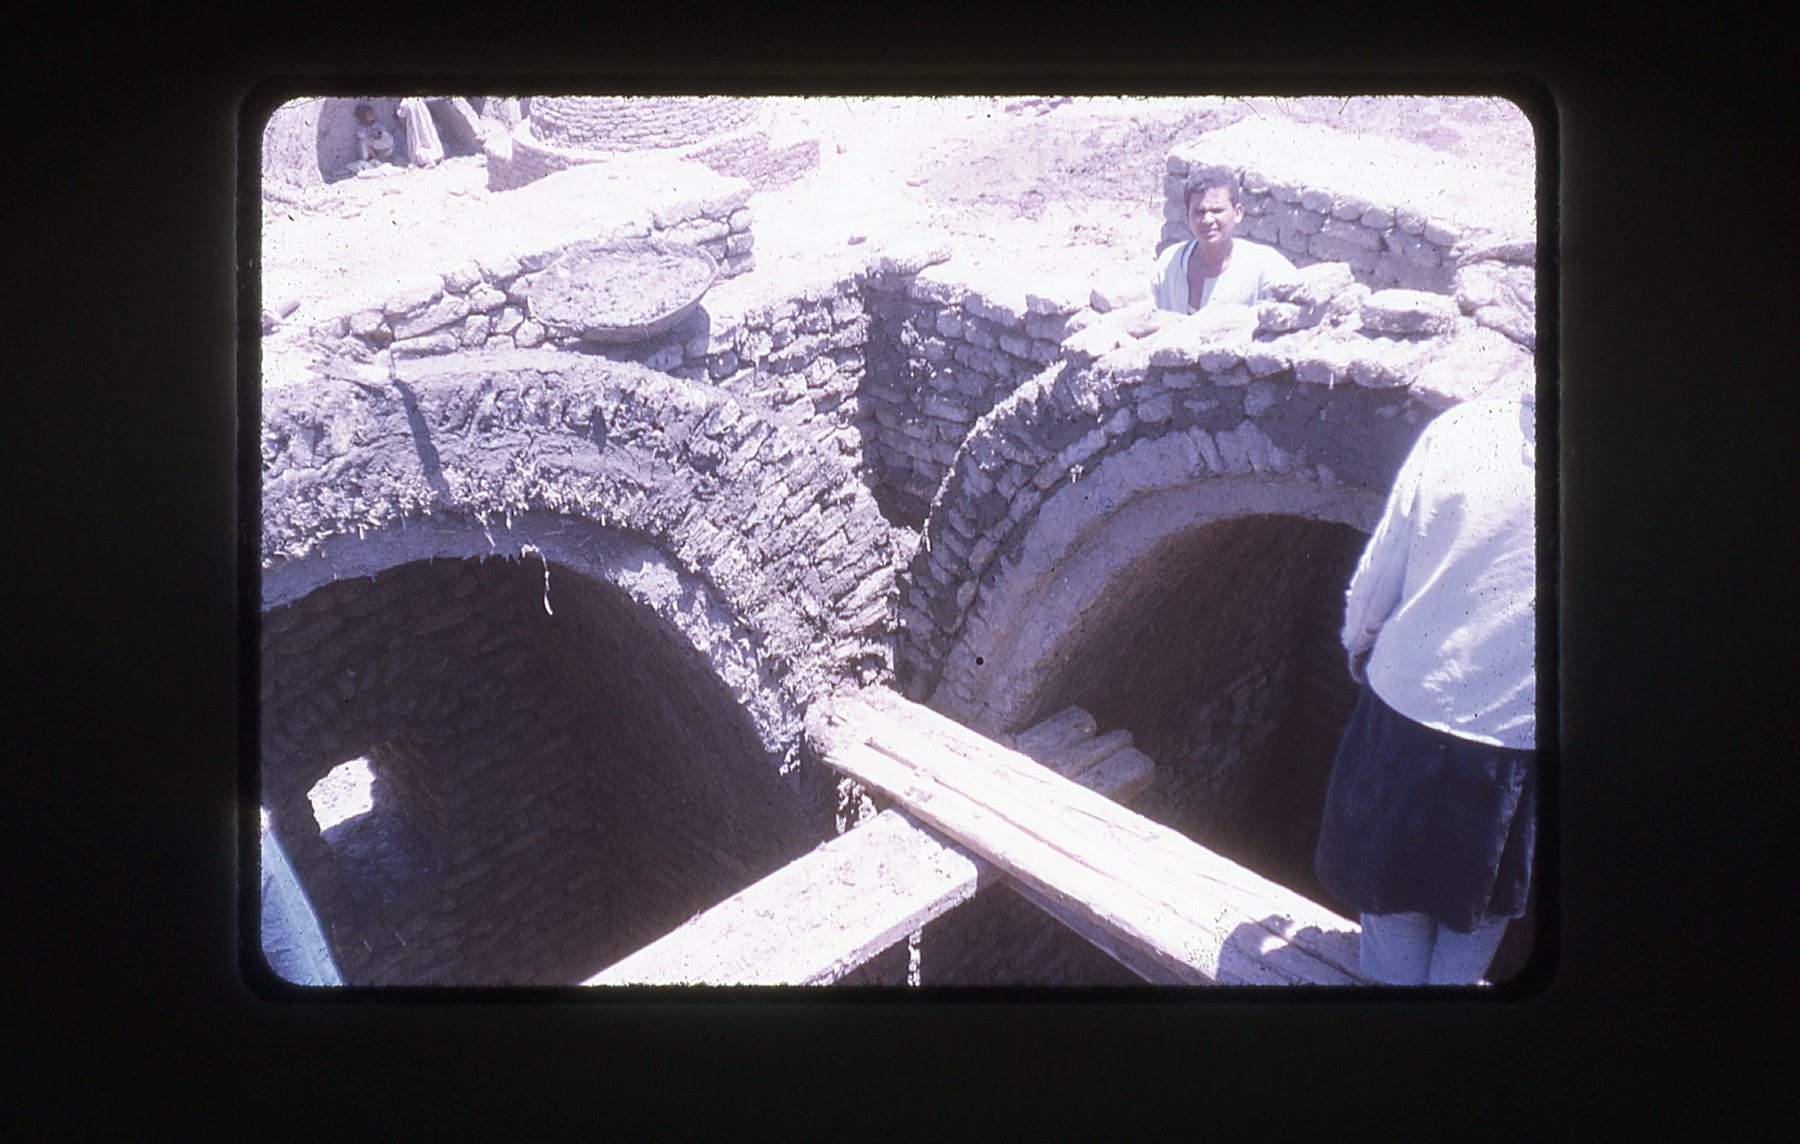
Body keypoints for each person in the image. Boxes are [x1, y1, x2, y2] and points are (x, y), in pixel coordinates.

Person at [1313, 388, 1537, 985]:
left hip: (1408, 707)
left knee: (1391, 896)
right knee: (1479, 904)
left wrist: (1358, 643)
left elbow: (1382, 570)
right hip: (1513, 738)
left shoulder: (1462, 431)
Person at [1151, 174, 1296, 313]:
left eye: (1217, 211)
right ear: (1187, 216)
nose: (1207, 220)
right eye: (1199, 212)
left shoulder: (1265, 267)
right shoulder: (1169, 263)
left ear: (1237, 213)